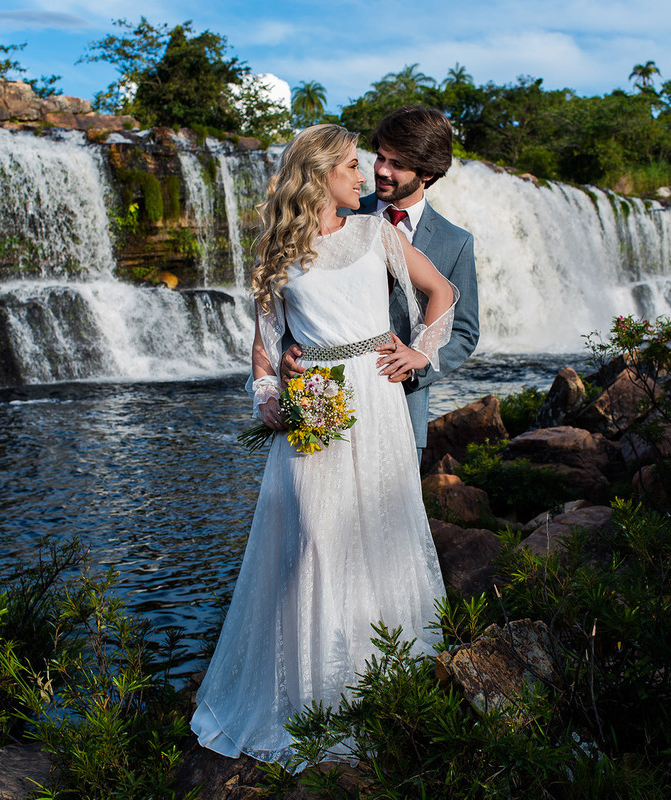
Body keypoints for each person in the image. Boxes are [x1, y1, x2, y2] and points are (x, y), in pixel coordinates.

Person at [190, 124, 457, 765]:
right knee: (311, 537)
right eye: (352, 168)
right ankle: (312, 701)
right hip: (314, 403)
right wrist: (272, 404)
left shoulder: (376, 232)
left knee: (377, 533)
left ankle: (387, 688)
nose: (365, 178)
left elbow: (439, 293)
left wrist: (420, 349)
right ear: (318, 174)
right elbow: (261, 350)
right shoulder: (274, 255)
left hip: (377, 398)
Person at [282, 106, 479, 462]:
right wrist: (287, 354)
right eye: (380, 158)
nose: (382, 171)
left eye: (398, 164)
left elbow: (464, 331)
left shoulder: (456, 242)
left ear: (428, 173)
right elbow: (294, 295)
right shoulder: (338, 209)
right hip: (324, 406)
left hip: (403, 408)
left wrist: (418, 360)